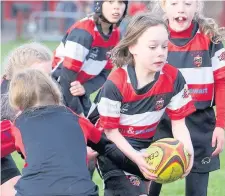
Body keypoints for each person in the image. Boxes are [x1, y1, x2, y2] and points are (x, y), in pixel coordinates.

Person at [91, 12, 196, 196]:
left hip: (146, 148)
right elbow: (111, 132)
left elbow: (179, 123)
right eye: (153, 47)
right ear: (133, 47)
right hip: (112, 147)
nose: (161, 53)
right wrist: (136, 158)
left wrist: (188, 152)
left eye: (164, 46)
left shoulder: (173, 77)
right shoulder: (116, 83)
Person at [148, 1, 225, 196]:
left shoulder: (210, 37)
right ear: (164, 6)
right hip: (158, 120)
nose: (181, 8)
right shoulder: (152, 35)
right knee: (147, 187)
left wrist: (221, 125)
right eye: (174, 3)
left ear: (197, 6)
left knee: (197, 191)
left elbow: (222, 82)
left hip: (199, 122)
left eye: (188, 3)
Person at [8, 69, 102, 196]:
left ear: (17, 102)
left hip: (33, 191)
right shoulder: (77, 119)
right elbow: (105, 145)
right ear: (54, 92)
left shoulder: (17, 125)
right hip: (81, 191)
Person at [52, 0, 128, 117]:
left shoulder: (116, 35)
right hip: (55, 87)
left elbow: (106, 72)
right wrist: (79, 115)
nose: (117, 7)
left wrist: (86, 88)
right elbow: (65, 79)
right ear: (99, 4)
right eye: (110, 1)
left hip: (77, 90)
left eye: (121, 2)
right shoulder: (84, 32)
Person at [1, 42, 52, 196]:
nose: (47, 82)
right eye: (40, 76)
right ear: (20, 74)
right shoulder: (6, 99)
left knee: (19, 188)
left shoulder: (37, 98)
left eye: (49, 76)